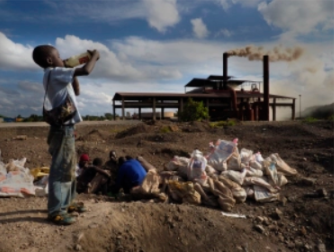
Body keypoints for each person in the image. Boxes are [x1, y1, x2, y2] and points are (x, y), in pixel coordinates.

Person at [32, 45, 99, 225]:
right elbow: (86, 70)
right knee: (60, 170)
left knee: (69, 169)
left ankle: (69, 203)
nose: (62, 59)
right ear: (49, 60)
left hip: (66, 129)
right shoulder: (53, 73)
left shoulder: (57, 75)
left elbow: (76, 91)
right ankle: (56, 211)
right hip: (63, 129)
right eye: (59, 56)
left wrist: (70, 71)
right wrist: (94, 57)